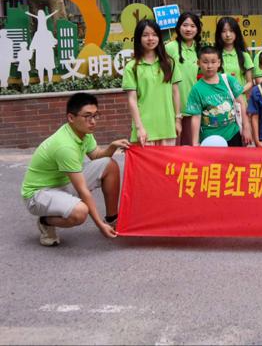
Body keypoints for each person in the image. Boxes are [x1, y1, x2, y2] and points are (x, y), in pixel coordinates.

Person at [20, 93, 129, 246]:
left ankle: (112, 220)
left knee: (109, 164)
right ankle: (45, 221)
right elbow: (83, 190)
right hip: (38, 194)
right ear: (71, 118)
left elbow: (97, 155)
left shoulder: (84, 132)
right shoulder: (65, 146)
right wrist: (99, 225)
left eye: (95, 115)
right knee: (80, 212)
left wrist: (112, 146)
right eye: (87, 116)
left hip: (62, 184)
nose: (93, 121)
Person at [123, 19, 182, 146]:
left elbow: (175, 92)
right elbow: (132, 99)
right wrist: (139, 127)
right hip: (145, 130)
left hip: (167, 127)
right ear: (138, 38)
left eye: (154, 35)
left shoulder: (169, 63)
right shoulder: (131, 67)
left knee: (168, 160)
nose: (150, 38)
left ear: (159, 37)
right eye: (145, 35)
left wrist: (178, 120)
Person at [185, 46, 252, 147]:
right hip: (209, 139)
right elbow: (196, 117)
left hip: (233, 134)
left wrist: (246, 127)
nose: (209, 66)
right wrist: (195, 142)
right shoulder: (196, 89)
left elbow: (241, 103)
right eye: (205, 62)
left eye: (213, 62)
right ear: (198, 63)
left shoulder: (229, 80)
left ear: (219, 63)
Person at [165, 12, 202, 145]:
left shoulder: (200, 49)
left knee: (190, 147)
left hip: (194, 107)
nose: (188, 29)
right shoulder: (169, 47)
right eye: (185, 25)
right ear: (178, 27)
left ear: (197, 29)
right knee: (173, 148)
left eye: (192, 26)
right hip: (173, 108)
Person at [215, 16, 254, 92]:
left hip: (240, 98)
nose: (228, 34)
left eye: (231, 31)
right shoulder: (214, 55)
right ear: (219, 34)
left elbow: (250, 82)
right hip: (220, 98)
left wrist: (237, 92)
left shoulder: (244, 56)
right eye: (224, 31)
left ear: (237, 33)